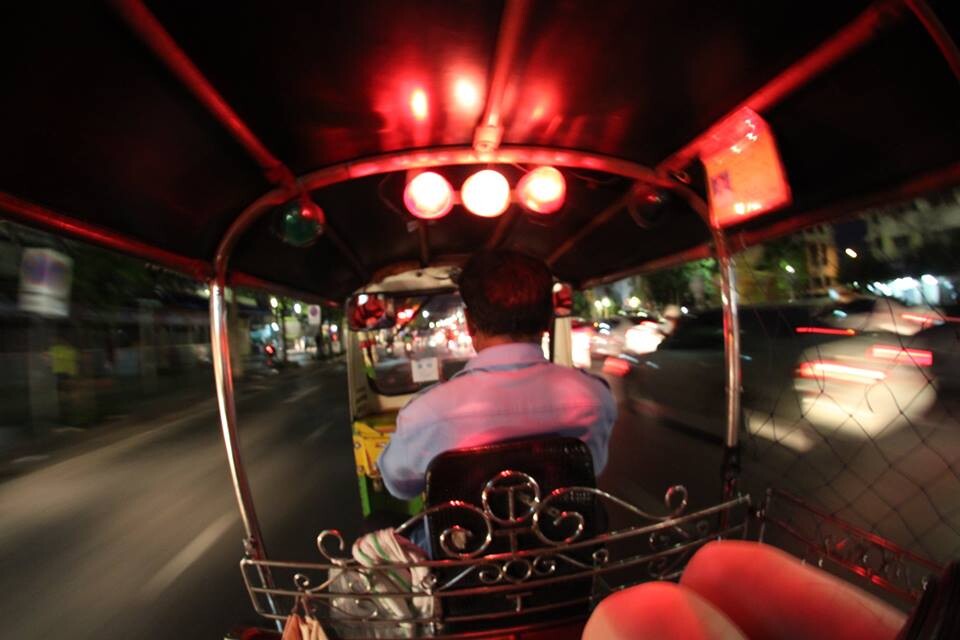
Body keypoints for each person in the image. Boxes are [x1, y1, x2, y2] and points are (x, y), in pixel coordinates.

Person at [377, 250, 617, 500]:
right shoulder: (596, 398)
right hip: (568, 533)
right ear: (548, 319)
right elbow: (594, 466)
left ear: (469, 323)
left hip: (464, 538)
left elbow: (400, 487)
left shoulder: (424, 415)